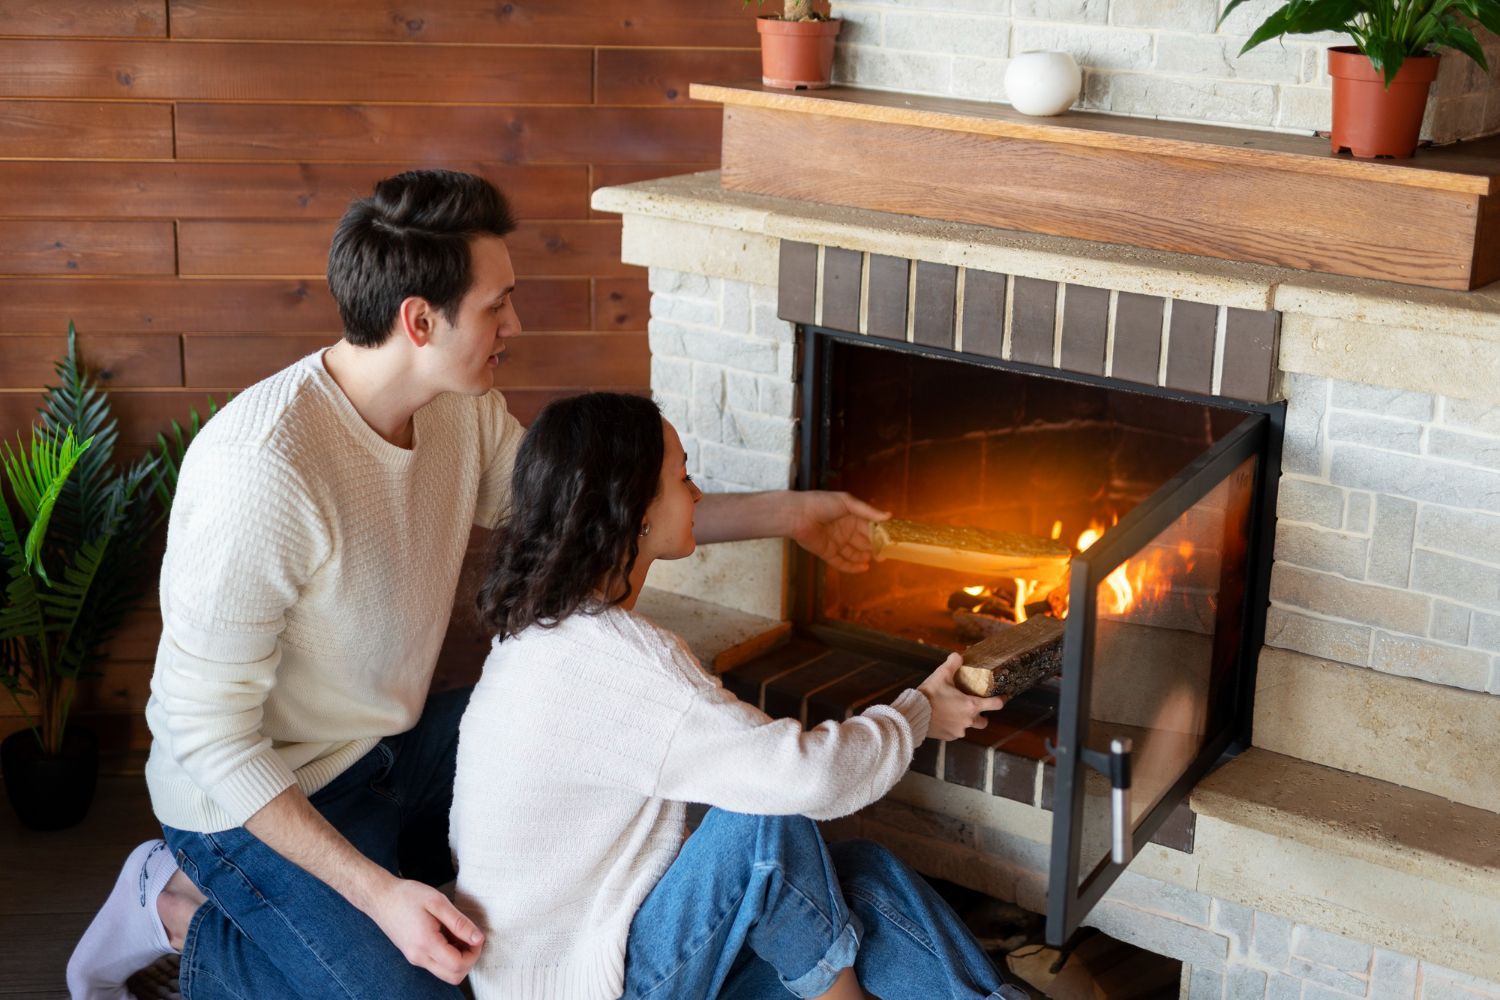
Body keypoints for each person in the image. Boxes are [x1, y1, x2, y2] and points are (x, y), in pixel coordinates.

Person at [65, 169, 894, 1000]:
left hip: (397, 744)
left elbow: (593, 515)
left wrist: (793, 514)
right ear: (419, 321)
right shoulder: (263, 472)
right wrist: (379, 895)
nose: (516, 324)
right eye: (498, 305)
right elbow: (211, 743)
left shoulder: (458, 405)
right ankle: (184, 920)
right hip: (251, 798)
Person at [450, 391, 1029, 1000]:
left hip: (584, 959)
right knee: (760, 828)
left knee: (857, 877)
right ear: (635, 509)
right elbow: (802, 778)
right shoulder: (614, 659)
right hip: (589, 984)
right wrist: (916, 714)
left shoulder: (546, 635)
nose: (696, 493)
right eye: (682, 477)